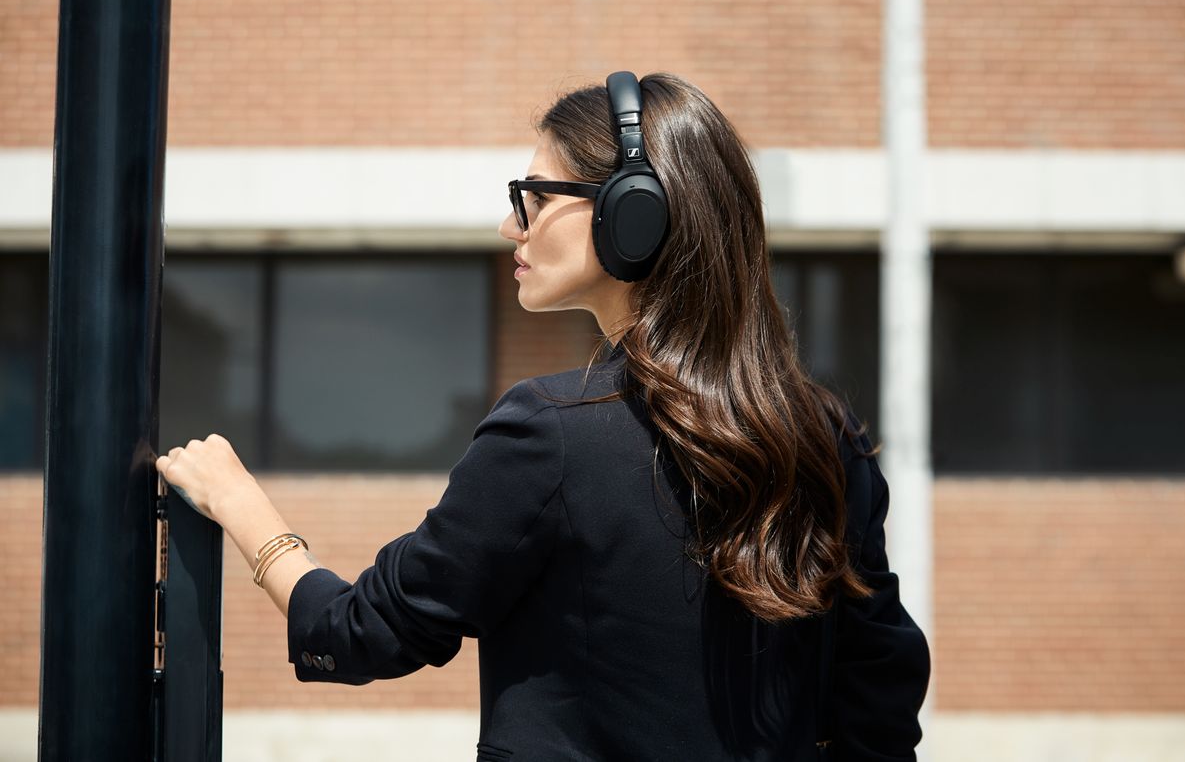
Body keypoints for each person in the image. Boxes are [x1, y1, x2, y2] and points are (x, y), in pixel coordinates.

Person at [156, 71, 931, 761]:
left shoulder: (548, 433)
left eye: (531, 198)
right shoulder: (827, 437)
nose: (510, 227)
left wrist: (244, 509)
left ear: (634, 217)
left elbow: (365, 631)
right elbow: (880, 702)